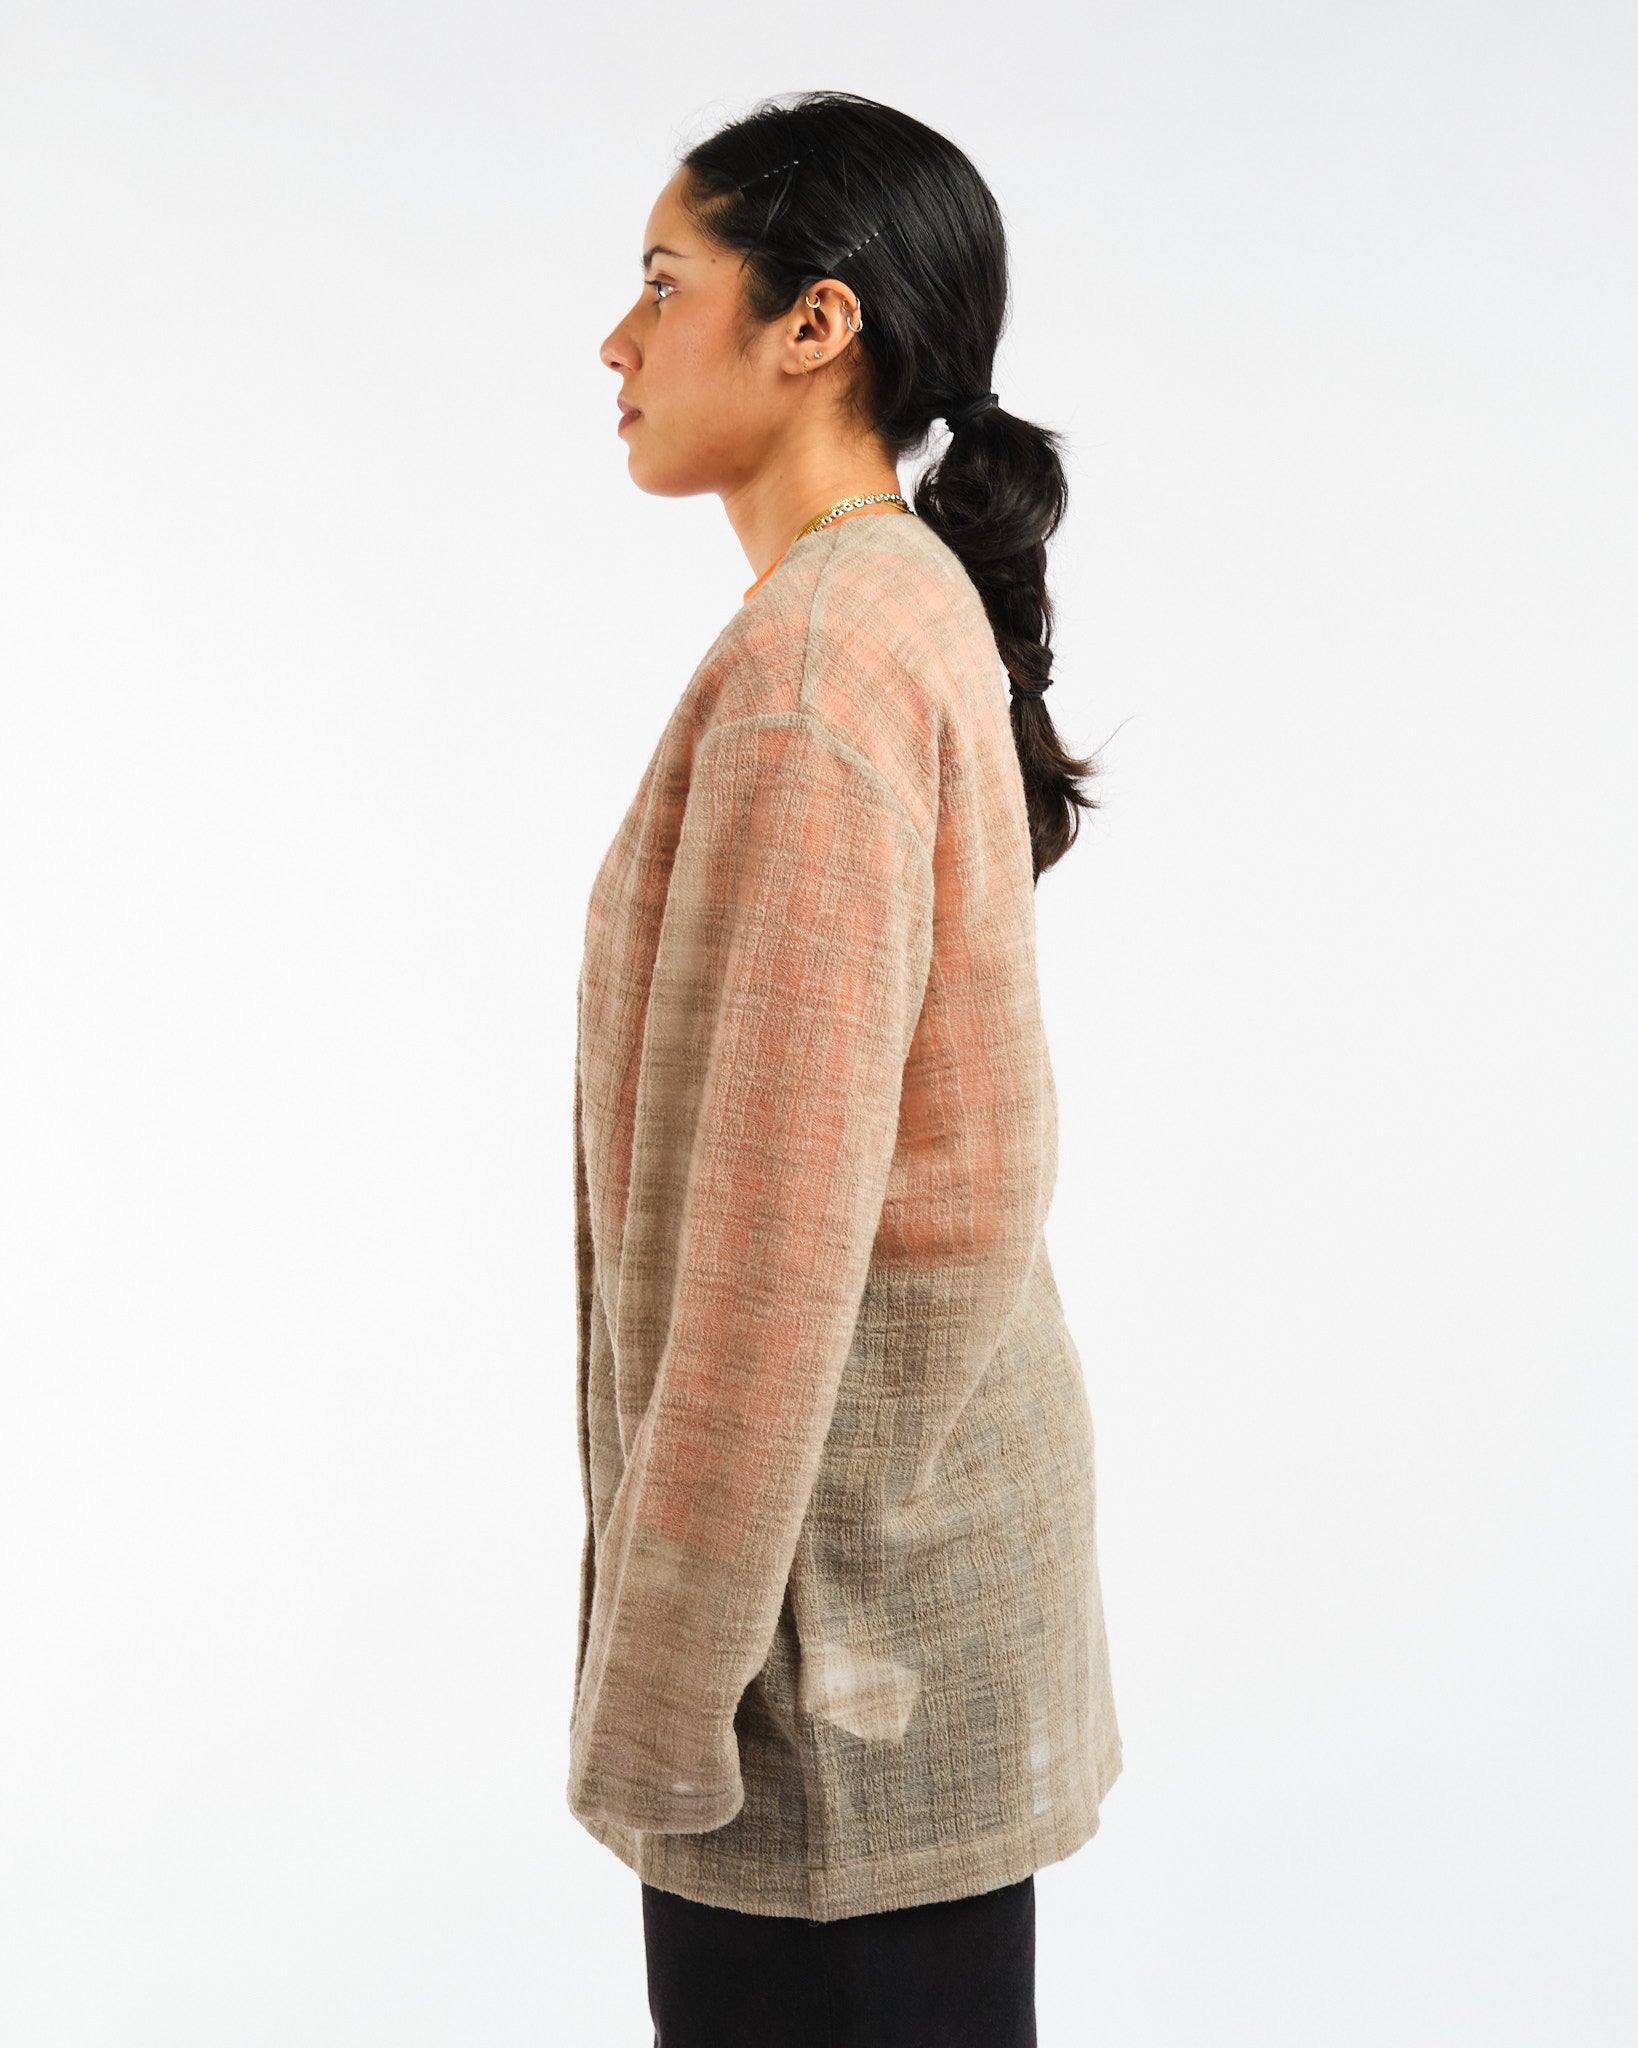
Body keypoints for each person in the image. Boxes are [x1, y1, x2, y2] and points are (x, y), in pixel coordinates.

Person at [571, 89, 1123, 2047]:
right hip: (907, 1598)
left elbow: (768, 1254)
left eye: (664, 283)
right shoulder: (895, 604)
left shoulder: (813, 671)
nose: (616, 342)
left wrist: (658, 1707)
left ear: (816, 324)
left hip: (830, 1675)